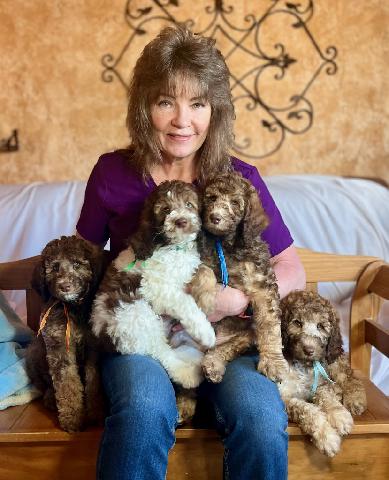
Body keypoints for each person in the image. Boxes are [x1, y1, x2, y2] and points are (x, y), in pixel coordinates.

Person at [77, 25, 306, 480]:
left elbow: (289, 266)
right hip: (143, 337)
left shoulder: (239, 177)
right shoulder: (111, 173)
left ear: (214, 111)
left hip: (227, 340)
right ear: (145, 106)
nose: (183, 120)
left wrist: (237, 302)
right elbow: (83, 260)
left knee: (261, 418)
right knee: (143, 410)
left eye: (197, 104)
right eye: (167, 102)